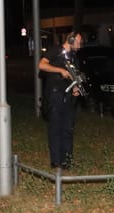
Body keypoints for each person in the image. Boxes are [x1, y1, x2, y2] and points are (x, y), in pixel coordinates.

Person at [38, 31, 82, 169]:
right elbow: (42, 65)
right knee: (56, 128)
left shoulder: (74, 57)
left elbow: (74, 76)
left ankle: (67, 160)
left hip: (68, 96)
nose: (80, 45)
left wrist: (76, 88)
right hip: (55, 94)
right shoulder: (55, 51)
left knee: (68, 128)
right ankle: (56, 161)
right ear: (71, 40)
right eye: (78, 42)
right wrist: (59, 70)